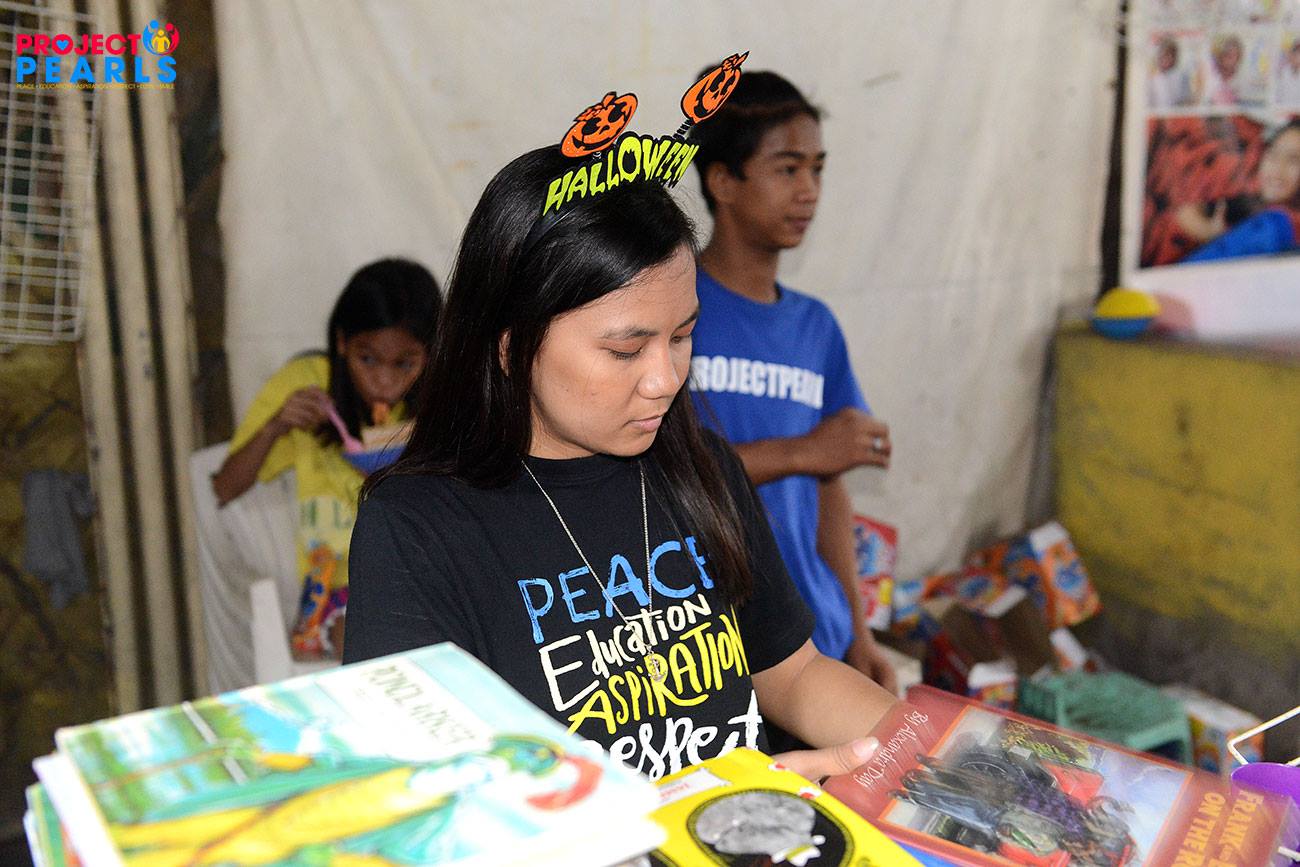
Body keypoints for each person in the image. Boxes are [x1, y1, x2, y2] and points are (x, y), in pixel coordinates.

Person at [343, 146, 899, 782]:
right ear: (510, 345)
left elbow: (793, 675)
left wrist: (935, 754)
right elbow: (427, 796)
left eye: (682, 336)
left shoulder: (702, 471)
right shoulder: (417, 529)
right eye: (626, 351)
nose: (665, 379)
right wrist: (704, 805)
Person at [686, 70, 897, 695]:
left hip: (812, 634)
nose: (809, 191)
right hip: (705, 642)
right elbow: (659, 477)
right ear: (723, 181)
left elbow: (829, 489)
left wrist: (859, 633)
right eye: (787, 169)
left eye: (817, 169)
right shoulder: (669, 308)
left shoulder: (816, 327)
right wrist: (804, 451)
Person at [213, 258, 441, 660]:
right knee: (368, 638)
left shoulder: (443, 396)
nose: (384, 382)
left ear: (430, 353)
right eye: (367, 359)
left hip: (425, 575)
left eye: (404, 364)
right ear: (342, 343)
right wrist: (276, 426)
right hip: (337, 590)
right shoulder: (309, 383)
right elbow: (224, 488)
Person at [1184, 120, 1300, 262]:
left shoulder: (1274, 225)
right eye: (1273, 155)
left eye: (1294, 160)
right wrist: (1209, 232)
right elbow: (1187, 211)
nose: (1278, 169)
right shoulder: (1247, 206)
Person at [1149, 36, 1194, 109]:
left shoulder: (1182, 76)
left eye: (1172, 55)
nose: (1169, 59)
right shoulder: (1153, 80)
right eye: (1165, 55)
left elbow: (1187, 101)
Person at [1204, 34, 1244, 107]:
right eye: (1227, 55)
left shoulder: (1240, 78)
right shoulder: (1211, 75)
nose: (1231, 59)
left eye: (1234, 55)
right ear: (1220, 56)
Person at [1276, 39, 1300, 106]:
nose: (1296, 57)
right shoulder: (1284, 72)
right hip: (1283, 109)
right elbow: (1278, 95)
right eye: (1295, 54)